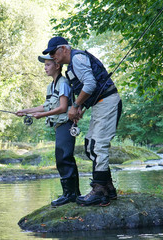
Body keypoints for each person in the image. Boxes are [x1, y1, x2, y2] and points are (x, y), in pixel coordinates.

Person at [42, 36, 122, 207]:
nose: (52, 56)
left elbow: (90, 84)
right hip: (100, 104)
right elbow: (90, 89)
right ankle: (108, 188)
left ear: (64, 48)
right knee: (89, 145)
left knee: (97, 145)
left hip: (107, 102)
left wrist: (76, 105)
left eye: (53, 52)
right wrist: (80, 107)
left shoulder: (77, 58)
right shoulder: (73, 62)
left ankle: (100, 191)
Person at [16, 55, 80, 207]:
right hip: (59, 125)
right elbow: (45, 106)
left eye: (48, 64)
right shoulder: (51, 86)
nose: (45, 67)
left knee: (64, 157)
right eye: (45, 65)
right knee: (62, 157)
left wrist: (41, 115)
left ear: (57, 66)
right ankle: (71, 193)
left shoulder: (63, 83)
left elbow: (63, 107)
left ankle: (71, 195)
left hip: (67, 123)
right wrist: (25, 111)